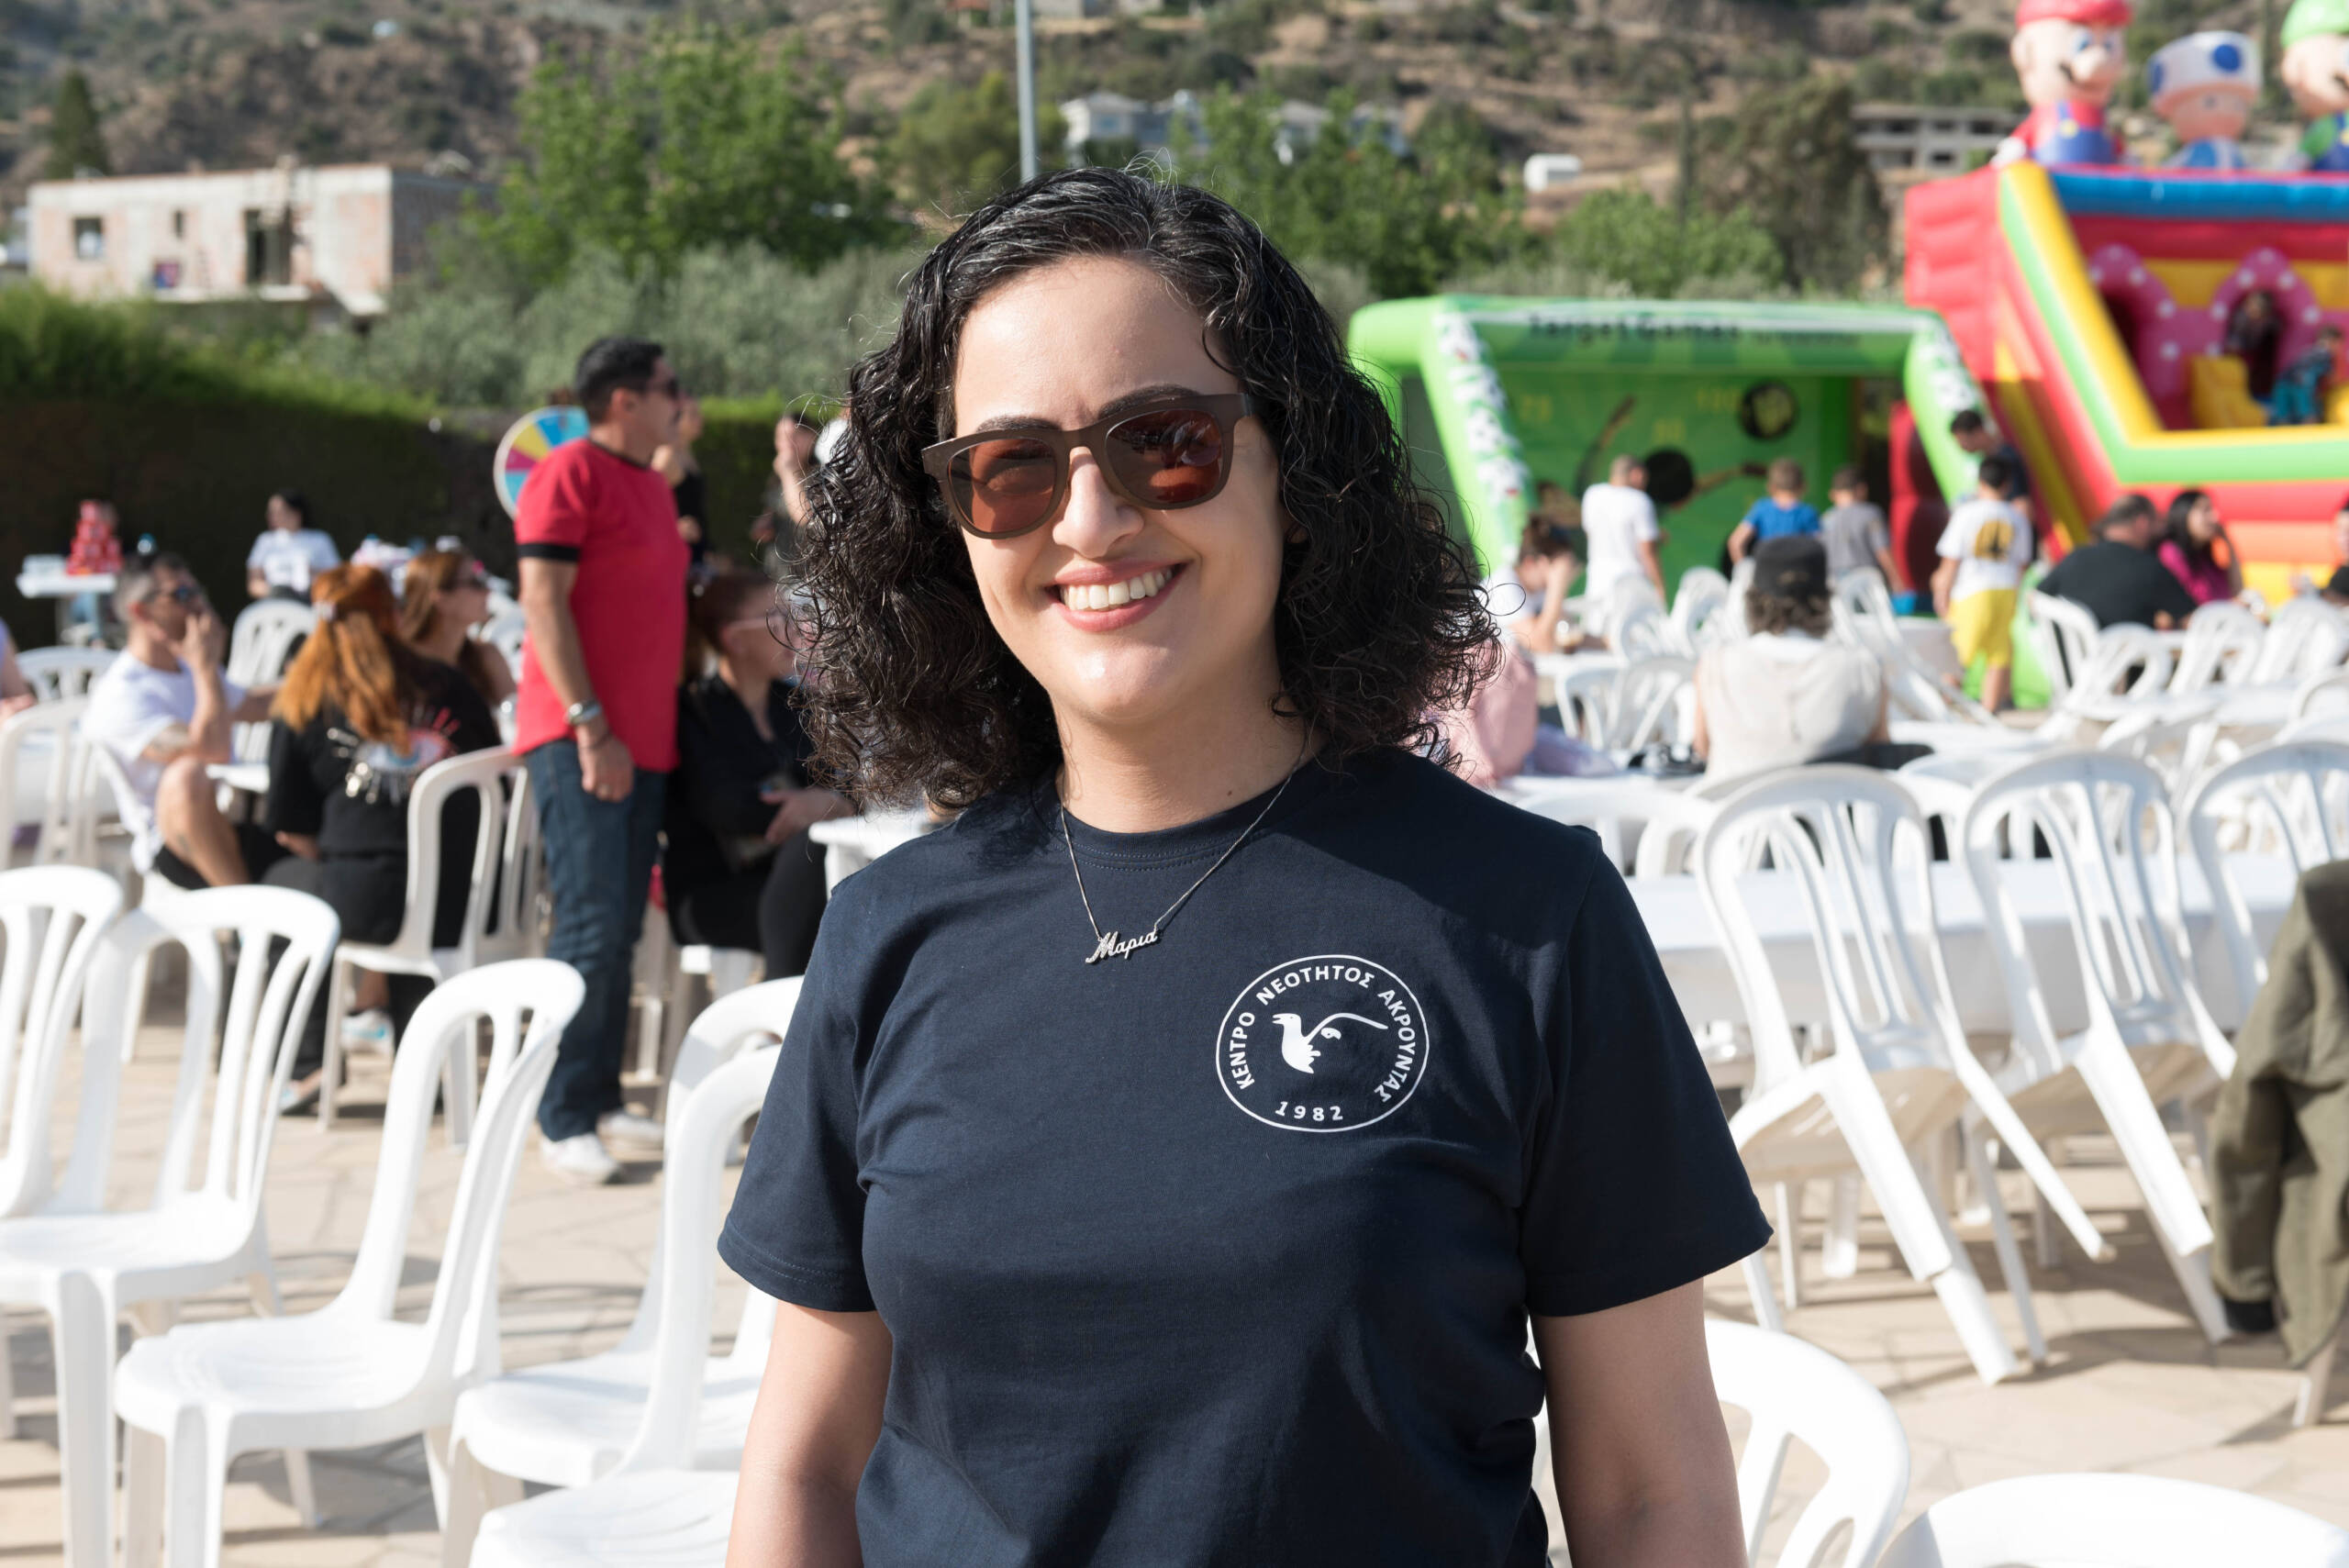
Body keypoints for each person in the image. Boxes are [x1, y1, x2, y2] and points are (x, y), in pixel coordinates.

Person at [718, 168, 1765, 1567]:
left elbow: (1652, 1494)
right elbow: (803, 1468)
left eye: (1165, 442)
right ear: (952, 525)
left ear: (1296, 470)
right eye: (1012, 468)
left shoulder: (1525, 917)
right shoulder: (887, 934)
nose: (1088, 520)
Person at [515, 336, 690, 1185]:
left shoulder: (651, 482)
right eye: (668, 387)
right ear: (625, 398)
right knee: (588, 924)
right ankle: (562, 1113)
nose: (679, 401)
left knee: (620, 926)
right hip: (580, 735)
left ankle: (600, 1090)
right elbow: (541, 601)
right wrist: (590, 725)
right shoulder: (568, 472)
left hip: (643, 740)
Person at [260, 566, 503, 1109]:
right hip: (468, 896)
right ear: (392, 615)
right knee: (399, 878)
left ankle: (308, 1064)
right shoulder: (450, 685)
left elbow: (293, 829)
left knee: (286, 886)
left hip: (370, 900)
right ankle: (422, 1069)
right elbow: (498, 778)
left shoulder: (307, 699)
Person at [663, 573, 850, 980]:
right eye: (776, 617)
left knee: (842, 880)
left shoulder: (794, 705)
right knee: (820, 870)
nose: (793, 628)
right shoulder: (694, 711)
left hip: (789, 875)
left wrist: (827, 803)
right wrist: (818, 805)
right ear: (735, 639)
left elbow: (845, 782)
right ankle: (785, 1013)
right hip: (717, 889)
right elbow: (728, 807)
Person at [83, 555, 282, 887]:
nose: (198, 605)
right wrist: (206, 667)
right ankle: (242, 911)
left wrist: (325, 679)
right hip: (178, 846)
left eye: (196, 591)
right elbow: (211, 750)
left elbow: (257, 704)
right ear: (141, 612)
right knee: (186, 775)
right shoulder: (121, 693)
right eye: (181, 595)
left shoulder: (188, 667)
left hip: (237, 821)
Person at [1692, 536, 1887, 780]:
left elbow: (1702, 748)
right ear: (1825, 597)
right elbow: (1880, 755)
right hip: (1833, 801)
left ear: (1754, 598)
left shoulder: (1714, 666)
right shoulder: (1865, 668)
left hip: (1734, 802)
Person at [1932, 453, 2034, 712]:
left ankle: (1941, 708)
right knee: (1998, 654)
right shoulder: (2017, 517)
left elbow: (1951, 559)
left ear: (1980, 482)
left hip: (1973, 590)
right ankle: (1990, 710)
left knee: (1957, 654)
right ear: (2007, 485)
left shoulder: (1967, 513)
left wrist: (1942, 591)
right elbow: (2022, 563)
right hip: (2006, 589)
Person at [2039, 492, 2199, 631]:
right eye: (2156, 522)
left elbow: (2036, 598)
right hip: (2134, 656)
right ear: (2142, 522)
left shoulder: (2075, 557)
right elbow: (2194, 621)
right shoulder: (2147, 567)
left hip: (2074, 657)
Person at [397, 547, 516, 709]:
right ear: (441, 599)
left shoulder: (486, 657)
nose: (487, 591)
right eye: (475, 583)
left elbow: (516, 716)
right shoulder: (401, 667)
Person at [1484, 517, 1584, 654]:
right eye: (1554, 568)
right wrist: (1557, 586)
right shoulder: (1503, 587)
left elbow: (1566, 635)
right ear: (1530, 563)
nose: (1559, 574)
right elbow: (1542, 645)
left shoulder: (1539, 590)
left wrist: (1607, 642)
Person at [1575, 453, 1664, 603]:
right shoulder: (1640, 501)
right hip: (1632, 585)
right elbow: (1647, 552)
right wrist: (1659, 586)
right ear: (1637, 474)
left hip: (1597, 581)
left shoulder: (1592, 494)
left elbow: (1590, 533)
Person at [244, 490, 340, 602]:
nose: (272, 516)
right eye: (271, 512)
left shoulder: (320, 539)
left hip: (310, 601)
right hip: (273, 602)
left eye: (278, 512)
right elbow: (253, 583)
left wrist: (313, 575)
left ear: (296, 513)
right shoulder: (265, 541)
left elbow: (336, 577)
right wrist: (276, 592)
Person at [1820, 465, 1904, 592]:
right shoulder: (1870, 514)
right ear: (1862, 489)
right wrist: (1896, 579)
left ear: (1833, 494)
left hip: (1835, 581)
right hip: (1866, 580)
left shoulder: (1826, 518)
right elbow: (1882, 550)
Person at [1727, 457, 1820, 564]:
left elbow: (1736, 542)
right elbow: (1818, 546)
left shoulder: (1762, 508)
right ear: (1803, 486)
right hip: (1796, 569)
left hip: (1766, 568)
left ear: (1770, 486)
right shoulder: (1808, 512)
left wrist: (1744, 569)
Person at [2156, 488, 2242, 606]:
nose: (2215, 518)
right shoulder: (2170, 553)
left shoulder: (2204, 558)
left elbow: (2237, 589)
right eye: (2206, 510)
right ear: (2184, 514)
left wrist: (2227, 542)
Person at [653, 394, 709, 568]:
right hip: (675, 556)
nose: (700, 419)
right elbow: (644, 506)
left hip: (692, 554)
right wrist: (673, 528)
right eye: (692, 414)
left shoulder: (686, 453)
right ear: (675, 419)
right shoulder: (667, 457)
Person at [1949, 408, 2033, 521]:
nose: (1962, 447)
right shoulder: (1993, 458)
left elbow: (2022, 505)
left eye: (1963, 440)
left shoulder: (2006, 458)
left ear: (1977, 432)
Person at [2271, 325, 2343, 426]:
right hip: (2300, 385)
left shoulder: (2308, 351)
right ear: (2332, 341)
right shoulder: (2325, 354)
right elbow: (2331, 377)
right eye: (2339, 344)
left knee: (2283, 415)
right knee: (2309, 415)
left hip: (2282, 382)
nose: (2339, 348)